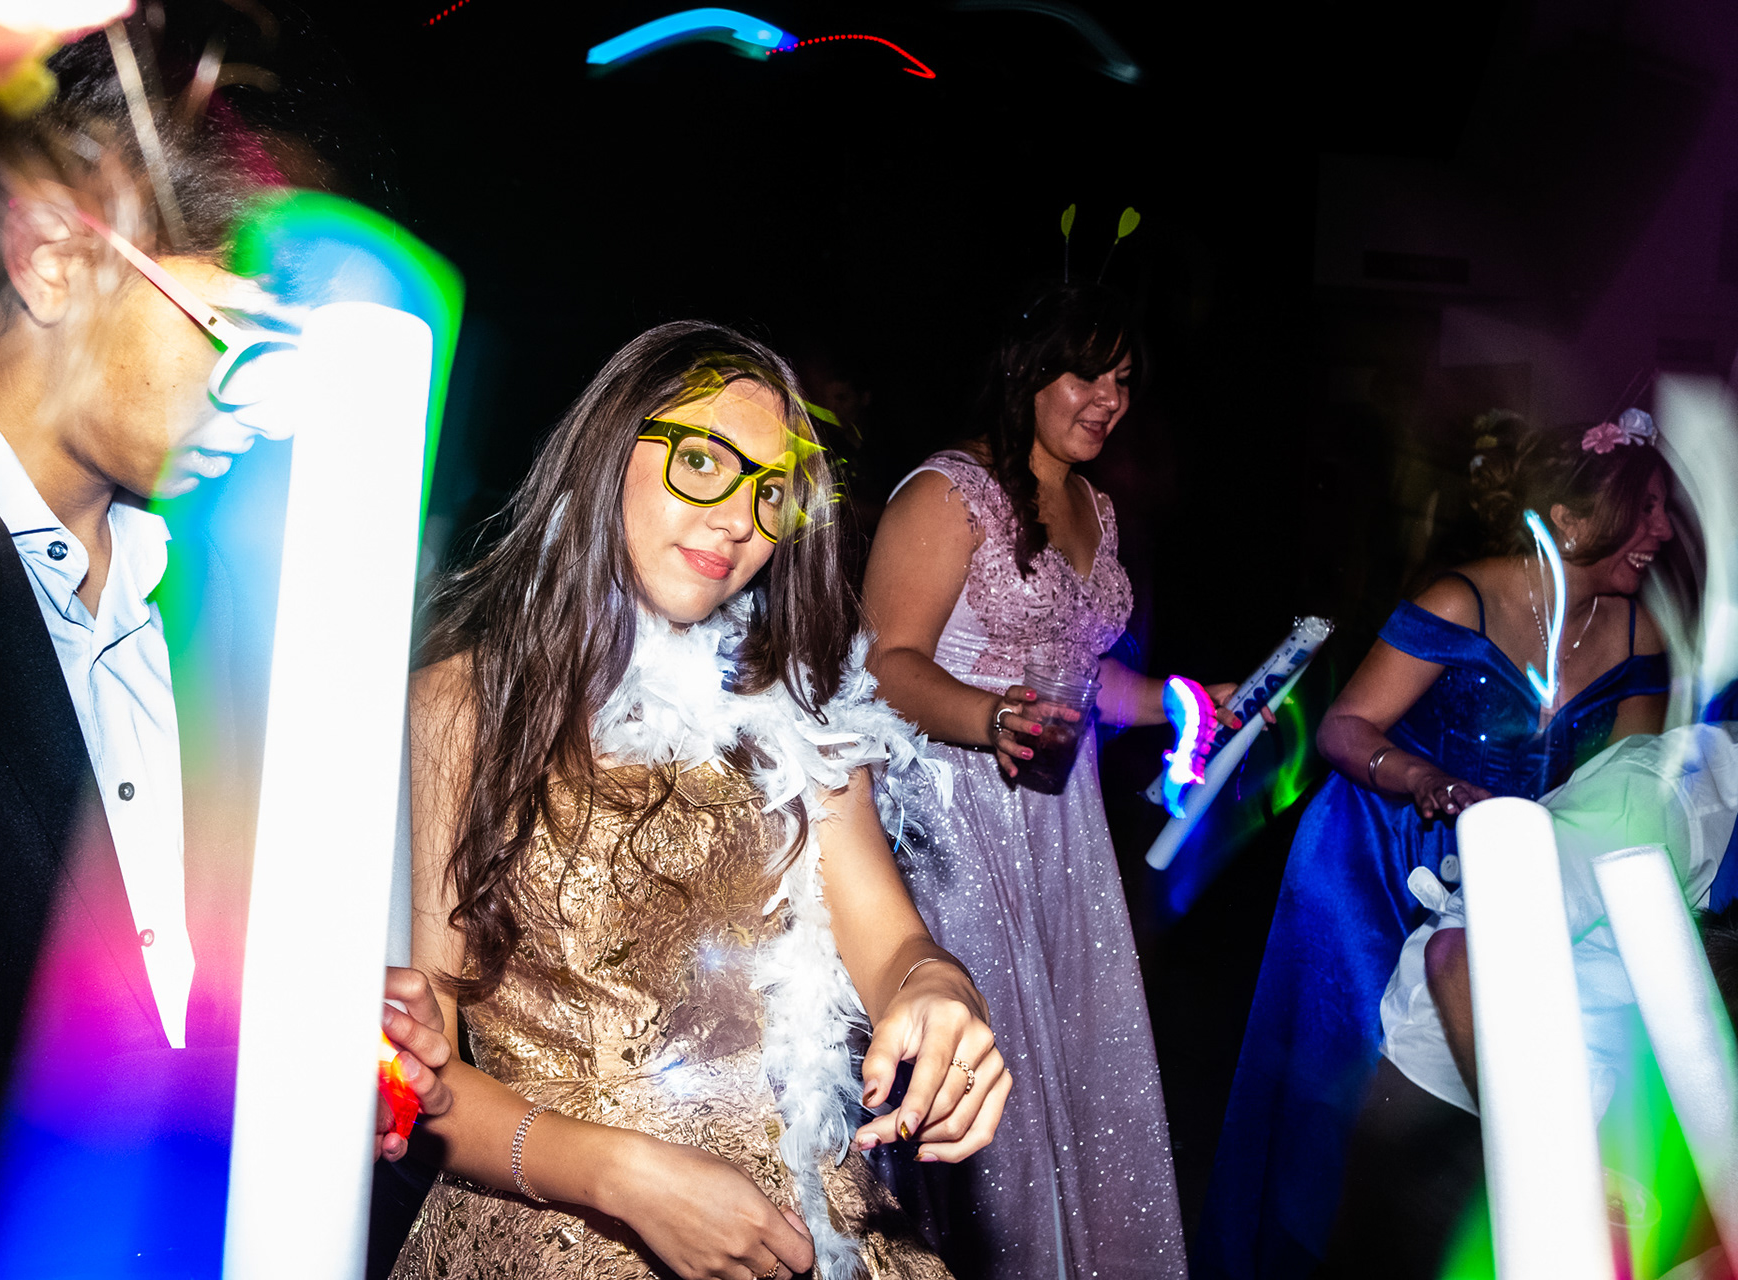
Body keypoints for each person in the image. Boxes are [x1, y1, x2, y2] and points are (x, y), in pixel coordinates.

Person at [0, 37, 449, 1277]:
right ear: (57, 253)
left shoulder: (220, 609)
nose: (278, 411)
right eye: (250, 340)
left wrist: (302, 1046)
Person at [393, 323, 1010, 1280]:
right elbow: (413, 1070)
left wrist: (938, 988)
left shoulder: (795, 710)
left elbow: (892, 944)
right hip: (554, 1225)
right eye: (703, 461)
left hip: (806, 1222)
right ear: (609, 448)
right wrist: (621, 1176)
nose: (737, 521)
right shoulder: (460, 707)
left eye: (770, 493)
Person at [1198, 409, 1674, 1280]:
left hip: (1506, 886)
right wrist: (1422, 778)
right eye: (1643, 509)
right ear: (1569, 520)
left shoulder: (1641, 638)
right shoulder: (1462, 599)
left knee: (1463, 1097)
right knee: (1346, 1093)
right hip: (1377, 857)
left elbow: (1624, 799)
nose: (1663, 531)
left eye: (1663, 511)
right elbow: (1344, 727)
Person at [862, 283, 1235, 1279]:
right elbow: (885, 663)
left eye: (1125, 380)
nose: (1111, 400)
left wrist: (1189, 702)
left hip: (1063, 827)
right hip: (954, 814)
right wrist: (989, 717)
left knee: (1063, 1064)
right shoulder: (948, 491)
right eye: (1088, 374)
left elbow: (1084, 677)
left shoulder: (1095, 507)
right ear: (1028, 372)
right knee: (978, 1070)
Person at [1327, 719, 1738, 1279]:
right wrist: (1550, 1175)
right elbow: (1461, 958)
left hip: (1584, 1116)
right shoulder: (1657, 798)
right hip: (1450, 1108)